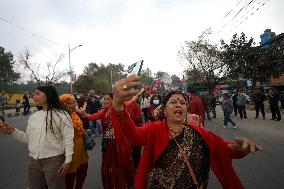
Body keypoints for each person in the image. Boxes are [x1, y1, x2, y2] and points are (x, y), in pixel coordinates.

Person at [111, 75, 262, 189]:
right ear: (164, 109)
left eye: (182, 103)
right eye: (173, 102)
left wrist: (241, 149)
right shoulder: (153, 129)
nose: (179, 105)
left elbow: (224, 148)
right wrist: (118, 107)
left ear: (186, 109)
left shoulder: (200, 132)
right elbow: (134, 136)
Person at [0, 85, 74, 189]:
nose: (34, 96)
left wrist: (68, 161)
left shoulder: (63, 116)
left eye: (37, 94)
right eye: (34, 94)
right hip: (33, 161)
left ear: (49, 95)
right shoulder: (34, 117)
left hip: (54, 161)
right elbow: (28, 139)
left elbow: (68, 140)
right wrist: (13, 131)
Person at [80, 93, 135, 189]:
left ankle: (123, 184)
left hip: (119, 143)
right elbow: (90, 117)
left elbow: (131, 101)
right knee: (108, 168)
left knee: (121, 166)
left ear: (113, 100)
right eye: (104, 99)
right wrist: (83, 112)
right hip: (108, 144)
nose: (104, 101)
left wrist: (139, 92)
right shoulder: (103, 112)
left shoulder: (119, 108)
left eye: (107, 99)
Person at [60, 94, 89, 189]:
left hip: (81, 148)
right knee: (70, 176)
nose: (74, 104)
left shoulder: (74, 113)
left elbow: (83, 125)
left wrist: (82, 114)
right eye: (71, 103)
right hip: (70, 150)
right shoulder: (61, 117)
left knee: (83, 171)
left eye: (74, 102)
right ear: (64, 105)